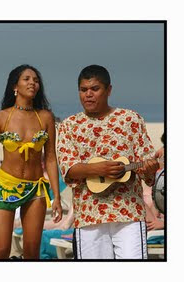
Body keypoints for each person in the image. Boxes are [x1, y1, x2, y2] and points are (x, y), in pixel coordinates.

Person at [56, 64, 159, 259]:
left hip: (129, 213)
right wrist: (98, 169)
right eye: (83, 90)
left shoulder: (131, 119)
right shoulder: (69, 125)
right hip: (88, 215)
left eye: (95, 89)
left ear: (108, 90)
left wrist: (149, 168)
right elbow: (68, 169)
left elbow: (147, 167)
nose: (88, 94)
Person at [0, 64, 63, 259]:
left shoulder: (45, 117)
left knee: (32, 250)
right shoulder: (1, 117)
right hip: (5, 186)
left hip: (36, 188)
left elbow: (51, 159)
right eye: (27, 79)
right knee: (1, 250)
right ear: (15, 86)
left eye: (35, 80)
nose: (32, 83)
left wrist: (57, 197)